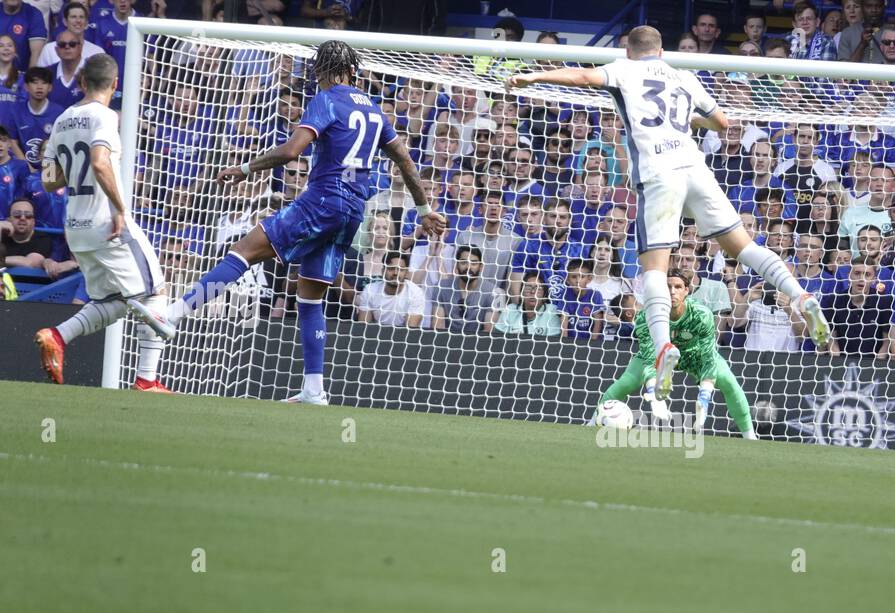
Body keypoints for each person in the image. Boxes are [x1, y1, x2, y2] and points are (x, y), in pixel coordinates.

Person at [505, 24, 830, 402]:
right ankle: (801, 295)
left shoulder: (623, 69)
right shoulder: (683, 76)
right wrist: (680, 122)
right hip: (695, 167)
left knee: (654, 270)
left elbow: (581, 75)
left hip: (659, 174)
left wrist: (533, 75)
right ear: (661, 51)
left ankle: (663, 348)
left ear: (629, 51)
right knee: (743, 246)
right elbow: (722, 123)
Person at [132, 40, 446, 405]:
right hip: (352, 213)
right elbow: (406, 161)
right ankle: (314, 389)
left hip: (324, 200)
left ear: (325, 72)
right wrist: (424, 210)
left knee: (243, 250)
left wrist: (245, 167)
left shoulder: (327, 99)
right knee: (309, 297)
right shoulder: (375, 109)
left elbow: (291, 151)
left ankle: (172, 314)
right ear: (353, 70)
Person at [32, 54, 170, 391]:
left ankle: (58, 336)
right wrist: (120, 208)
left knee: (115, 302)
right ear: (115, 83)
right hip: (107, 222)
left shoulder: (63, 119)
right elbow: (99, 161)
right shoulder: (105, 116)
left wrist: (68, 164)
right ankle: (147, 381)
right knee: (156, 291)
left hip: (76, 228)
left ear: (81, 82)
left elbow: (49, 180)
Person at [596, 270, 758, 439]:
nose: (672, 291)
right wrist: (654, 397)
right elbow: (650, 357)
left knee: (729, 382)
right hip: (660, 355)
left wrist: (704, 397)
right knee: (626, 382)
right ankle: (594, 421)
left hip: (695, 354)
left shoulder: (702, 314)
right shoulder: (646, 317)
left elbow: (709, 356)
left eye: (678, 287)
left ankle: (750, 436)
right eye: (667, 287)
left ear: (686, 290)